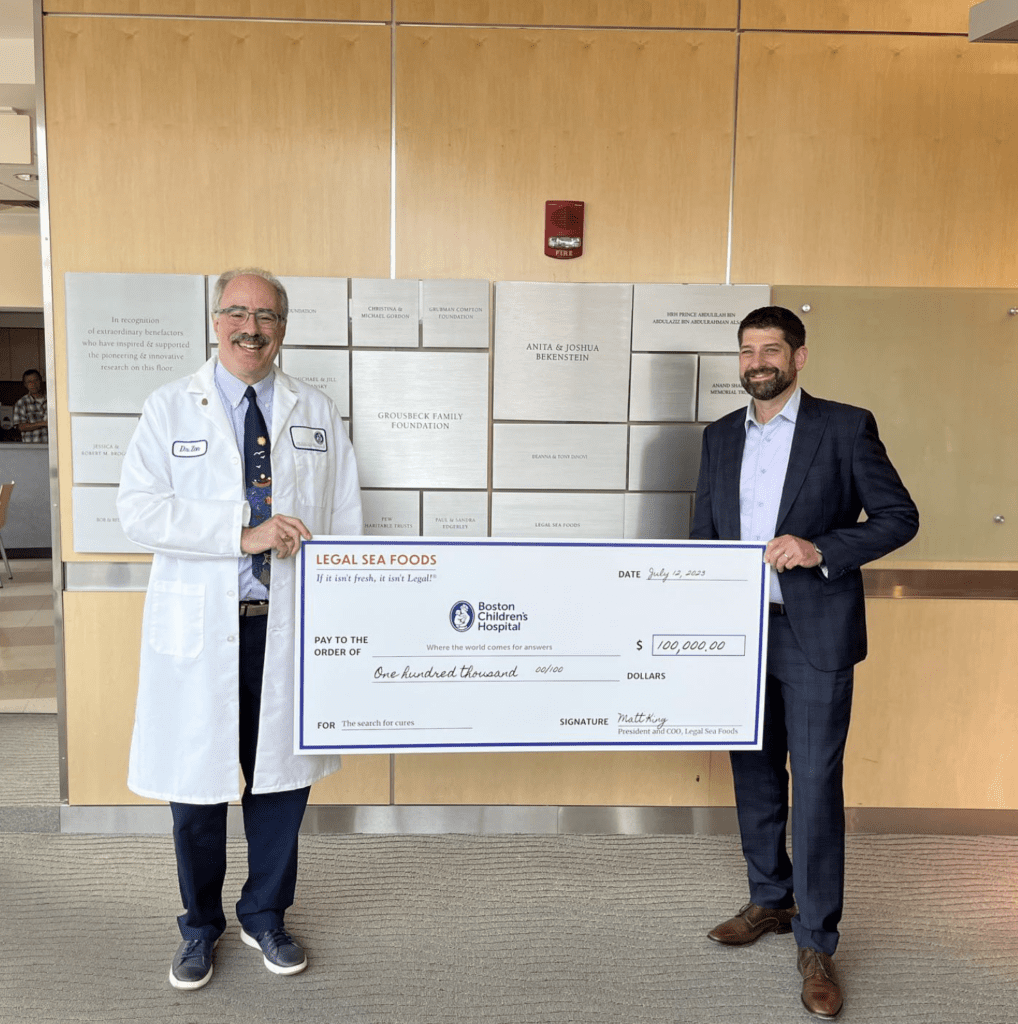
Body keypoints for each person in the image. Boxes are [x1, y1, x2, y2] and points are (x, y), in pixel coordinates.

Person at [117, 268, 362, 991]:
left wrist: (339, 625)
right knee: (196, 790)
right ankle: (199, 926)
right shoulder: (169, 409)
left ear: (283, 327)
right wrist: (240, 532)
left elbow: (345, 521)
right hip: (202, 632)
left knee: (281, 787)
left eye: (266, 315)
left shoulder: (315, 410)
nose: (250, 327)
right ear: (214, 320)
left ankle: (266, 915)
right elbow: (138, 511)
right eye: (237, 313)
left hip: (283, 632)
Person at [691, 306, 918, 1019]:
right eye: (748, 350)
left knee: (815, 784)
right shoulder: (720, 436)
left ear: (800, 356)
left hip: (813, 630)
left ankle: (817, 941)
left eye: (772, 349)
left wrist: (821, 548)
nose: (758, 361)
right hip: (738, 635)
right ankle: (768, 900)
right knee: (754, 770)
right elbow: (703, 534)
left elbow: (898, 517)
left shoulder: (846, 427)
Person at [12, 369, 48, 443]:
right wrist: (44, 423)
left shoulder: (53, 400)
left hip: (53, 448)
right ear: (25, 385)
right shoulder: (21, 403)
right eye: (29, 382)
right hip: (31, 448)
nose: (33, 384)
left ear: (41, 380)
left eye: (36, 380)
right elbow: (21, 427)